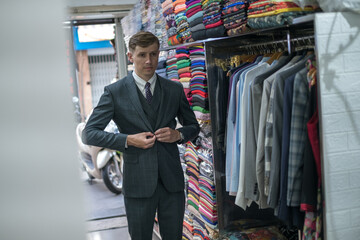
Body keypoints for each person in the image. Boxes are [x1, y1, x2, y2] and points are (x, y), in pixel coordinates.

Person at [82, 31, 200, 240]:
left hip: (171, 181)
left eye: (154, 54)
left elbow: (193, 126)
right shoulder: (115, 92)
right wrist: (127, 140)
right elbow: (89, 134)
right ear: (130, 57)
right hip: (138, 182)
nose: (149, 61)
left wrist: (178, 135)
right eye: (142, 55)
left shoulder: (173, 89)